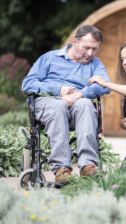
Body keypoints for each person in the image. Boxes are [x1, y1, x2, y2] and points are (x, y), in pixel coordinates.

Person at [22, 25, 111, 181]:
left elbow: (104, 85)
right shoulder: (50, 58)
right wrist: (58, 89)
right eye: (86, 48)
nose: (90, 53)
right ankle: (61, 169)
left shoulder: (95, 64)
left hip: (77, 108)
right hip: (48, 103)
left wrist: (79, 94)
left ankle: (88, 166)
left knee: (85, 104)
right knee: (58, 105)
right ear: (75, 42)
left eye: (94, 49)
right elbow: (28, 84)